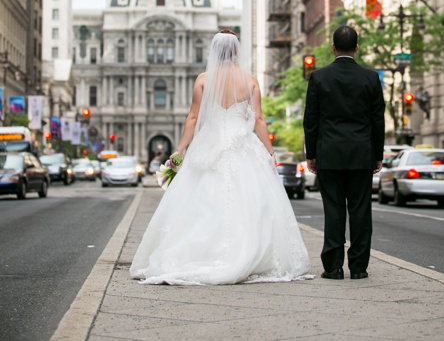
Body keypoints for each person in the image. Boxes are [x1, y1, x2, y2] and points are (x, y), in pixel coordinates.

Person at [130, 31, 311, 285]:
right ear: (236, 52)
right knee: (251, 200)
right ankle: (248, 252)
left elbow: (193, 118)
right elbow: (259, 119)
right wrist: (270, 152)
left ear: (214, 52)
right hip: (243, 145)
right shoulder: (250, 81)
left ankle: (202, 253)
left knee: (201, 201)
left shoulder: (204, 80)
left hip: (209, 143)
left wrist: (180, 149)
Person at [304, 25, 385, 280]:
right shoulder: (371, 78)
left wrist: (311, 154)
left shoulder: (318, 77)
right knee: (361, 211)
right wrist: (378, 154)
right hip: (361, 154)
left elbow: (311, 119)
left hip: (329, 154)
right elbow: (377, 119)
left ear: (333, 47)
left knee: (334, 210)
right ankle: (359, 267)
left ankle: (333, 266)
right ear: (357, 48)